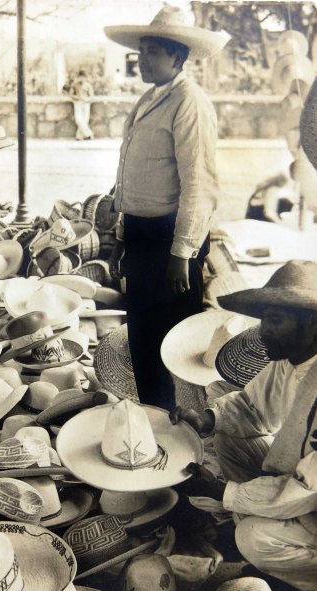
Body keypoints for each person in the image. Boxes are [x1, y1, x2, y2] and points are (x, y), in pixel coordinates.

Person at [104, 7, 229, 409]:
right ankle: (155, 416)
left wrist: (181, 253)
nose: (142, 59)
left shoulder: (189, 102)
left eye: (152, 51)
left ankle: (184, 424)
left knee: (175, 340)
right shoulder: (151, 98)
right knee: (142, 332)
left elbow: (199, 183)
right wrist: (123, 236)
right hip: (142, 236)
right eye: (141, 51)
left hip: (171, 239)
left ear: (177, 57)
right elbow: (134, 175)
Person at [171, 260, 317, 591]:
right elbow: (251, 409)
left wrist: (224, 492)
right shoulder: (290, 361)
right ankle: (273, 554)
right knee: (230, 437)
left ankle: (301, 584)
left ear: (311, 323)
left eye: (275, 320)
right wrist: (207, 418)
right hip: (299, 488)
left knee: (252, 537)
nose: (263, 329)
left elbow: (305, 488)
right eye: (264, 318)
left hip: (309, 496)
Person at [66, 69, 94, 141]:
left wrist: (86, 99)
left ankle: (79, 136)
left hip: (86, 103)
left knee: (85, 119)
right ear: (79, 77)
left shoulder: (88, 85)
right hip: (78, 102)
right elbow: (71, 94)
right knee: (78, 119)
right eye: (81, 77)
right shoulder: (75, 85)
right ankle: (88, 133)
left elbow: (91, 96)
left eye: (84, 77)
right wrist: (78, 97)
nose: (82, 78)